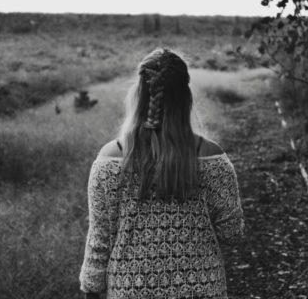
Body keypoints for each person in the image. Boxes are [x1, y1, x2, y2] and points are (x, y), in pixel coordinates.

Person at [79, 48, 245, 299]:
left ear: (138, 94)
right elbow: (232, 234)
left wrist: (91, 290)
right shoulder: (212, 158)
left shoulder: (110, 160)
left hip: (130, 289)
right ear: (186, 96)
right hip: (201, 288)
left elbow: (99, 241)